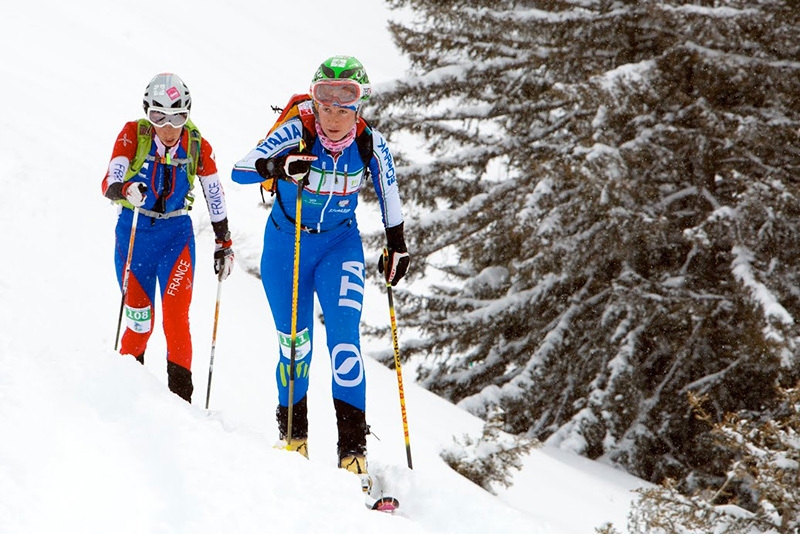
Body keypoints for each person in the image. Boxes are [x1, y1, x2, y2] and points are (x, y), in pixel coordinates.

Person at [231, 55, 410, 491]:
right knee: (295, 345)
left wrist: (398, 243)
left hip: (339, 246)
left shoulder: (370, 143)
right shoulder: (299, 129)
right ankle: (294, 440)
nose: (332, 117)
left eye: (343, 108)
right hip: (287, 243)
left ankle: (353, 455)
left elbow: (389, 190)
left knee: (345, 345)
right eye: (325, 106)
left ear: (359, 106)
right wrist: (278, 166)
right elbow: (240, 169)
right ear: (315, 103)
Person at [101, 72, 234, 403]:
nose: (169, 126)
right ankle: (126, 396)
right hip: (135, 233)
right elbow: (109, 182)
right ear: (148, 111)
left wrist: (224, 242)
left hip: (175, 238)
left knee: (176, 322)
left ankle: (182, 406)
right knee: (139, 322)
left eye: (178, 117)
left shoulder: (196, 144)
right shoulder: (134, 134)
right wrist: (126, 189)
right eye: (158, 115)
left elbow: (214, 193)